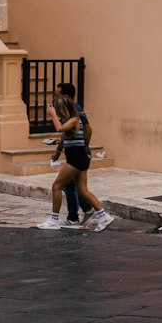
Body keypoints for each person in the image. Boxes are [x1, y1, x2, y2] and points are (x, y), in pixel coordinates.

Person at [37, 84, 113, 232]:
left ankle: (53, 220)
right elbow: (68, 136)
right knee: (83, 190)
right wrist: (59, 146)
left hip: (76, 160)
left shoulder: (73, 120)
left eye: (59, 109)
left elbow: (60, 128)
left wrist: (52, 115)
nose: (57, 112)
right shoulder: (72, 121)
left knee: (57, 186)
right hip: (80, 158)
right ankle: (104, 216)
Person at [47, 83, 97, 228]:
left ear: (65, 97)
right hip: (75, 153)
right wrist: (58, 151)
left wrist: (83, 147)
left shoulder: (75, 109)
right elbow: (66, 134)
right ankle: (88, 211)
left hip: (79, 154)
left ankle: (77, 215)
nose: (55, 97)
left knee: (65, 185)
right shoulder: (66, 110)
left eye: (57, 95)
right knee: (75, 186)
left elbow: (88, 130)